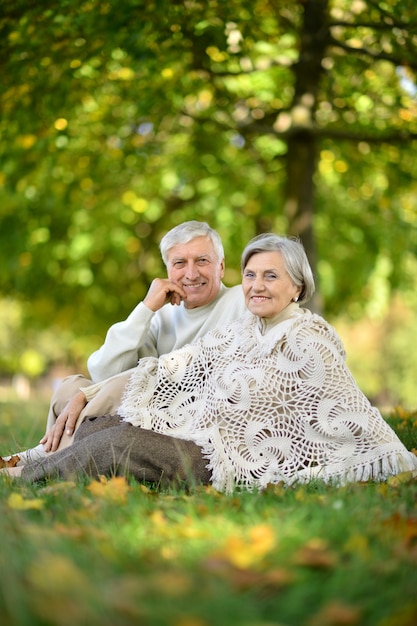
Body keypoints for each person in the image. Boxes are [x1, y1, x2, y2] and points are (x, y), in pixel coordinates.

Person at [7, 233, 417, 491]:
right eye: (252, 275)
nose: (256, 286)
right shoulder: (244, 329)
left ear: (297, 287)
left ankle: (25, 478)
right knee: (105, 423)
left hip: (228, 458)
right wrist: (95, 394)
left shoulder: (309, 338)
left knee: (119, 442)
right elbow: (177, 367)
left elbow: (337, 412)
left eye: (271, 276)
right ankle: (34, 461)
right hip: (198, 434)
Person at [0, 221, 246, 468]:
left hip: (189, 415)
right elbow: (103, 371)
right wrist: (146, 308)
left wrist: (90, 395)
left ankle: (39, 459)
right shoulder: (160, 315)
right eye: (180, 263)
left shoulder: (241, 300)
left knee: (107, 390)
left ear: (221, 267)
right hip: (143, 406)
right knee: (69, 388)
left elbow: (148, 379)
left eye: (202, 261)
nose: (191, 274)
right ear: (168, 270)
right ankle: (55, 454)